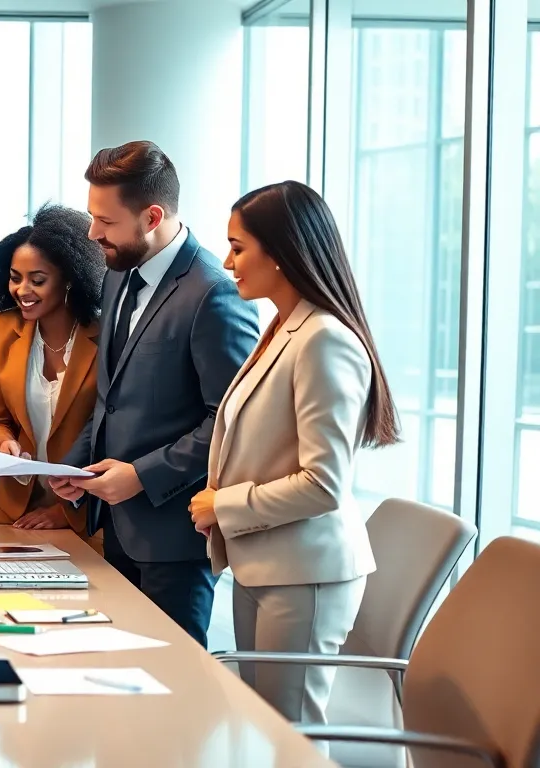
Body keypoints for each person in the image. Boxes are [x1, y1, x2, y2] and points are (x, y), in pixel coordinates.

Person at [188, 180, 395, 724]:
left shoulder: (323, 337)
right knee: (266, 727)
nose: (227, 263)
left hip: (305, 573)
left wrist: (222, 505)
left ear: (281, 252)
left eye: (238, 248)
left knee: (291, 735)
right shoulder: (283, 326)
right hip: (265, 564)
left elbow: (323, 484)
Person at [51, 141, 260, 646]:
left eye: (106, 220)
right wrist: (76, 466)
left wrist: (142, 476)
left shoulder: (213, 293)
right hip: (114, 526)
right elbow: (111, 398)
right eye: (92, 216)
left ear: (152, 216)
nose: (92, 232)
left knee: (175, 676)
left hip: (175, 539)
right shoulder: (117, 275)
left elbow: (230, 425)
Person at [0, 204, 107, 543]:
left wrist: (64, 511)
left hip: (83, 515)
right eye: (15, 278)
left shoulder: (105, 335)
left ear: (69, 279)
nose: (22, 290)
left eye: (37, 280)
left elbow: (111, 435)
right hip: (14, 513)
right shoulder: (2, 328)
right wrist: (4, 444)